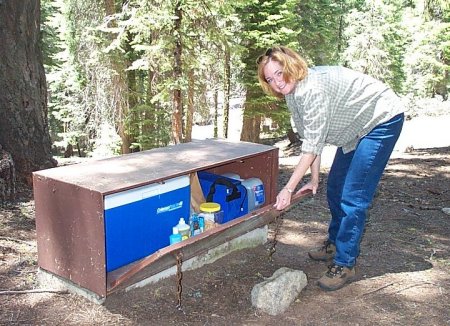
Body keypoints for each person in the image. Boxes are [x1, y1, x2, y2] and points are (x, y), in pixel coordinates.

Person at [256, 46, 405, 291]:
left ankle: (345, 263)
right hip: (355, 129)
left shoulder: (312, 90)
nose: (277, 83)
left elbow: (312, 148)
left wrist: (288, 189)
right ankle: (336, 243)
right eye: (270, 80)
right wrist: (314, 179)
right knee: (335, 187)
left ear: (291, 65)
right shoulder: (294, 93)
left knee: (353, 197)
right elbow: (310, 140)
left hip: (380, 119)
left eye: (279, 74)